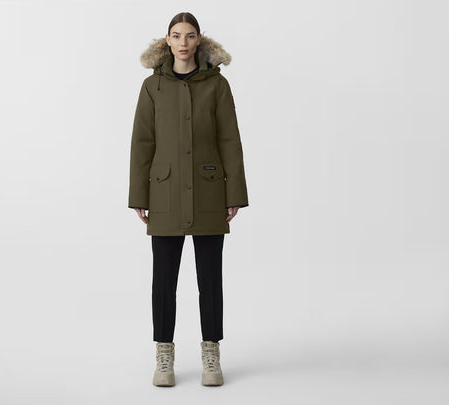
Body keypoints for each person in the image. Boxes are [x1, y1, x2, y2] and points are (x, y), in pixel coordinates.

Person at [128, 12, 249, 387]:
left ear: (200, 40)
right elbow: (142, 143)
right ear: (166, 40)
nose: (183, 42)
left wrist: (234, 193)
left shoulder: (217, 85)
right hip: (164, 193)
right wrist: (139, 195)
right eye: (176, 35)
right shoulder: (152, 87)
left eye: (190, 35)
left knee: (210, 279)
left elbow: (230, 140)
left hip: (209, 192)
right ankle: (164, 355)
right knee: (163, 281)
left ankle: (211, 353)